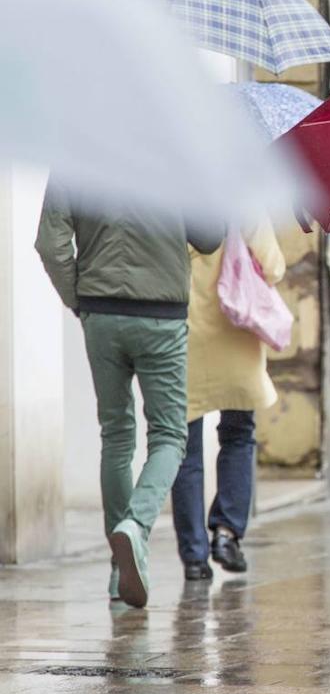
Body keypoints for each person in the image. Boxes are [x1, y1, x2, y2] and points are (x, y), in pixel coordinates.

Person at [35, 179, 222, 608]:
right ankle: (136, 527)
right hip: (161, 314)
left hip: (101, 313)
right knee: (170, 436)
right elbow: (210, 237)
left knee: (116, 434)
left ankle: (120, 570)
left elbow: (50, 242)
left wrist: (78, 299)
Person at [171, 217, 286, 582]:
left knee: (183, 449)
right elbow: (273, 266)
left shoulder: (163, 194)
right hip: (233, 325)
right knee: (238, 435)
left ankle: (193, 556)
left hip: (181, 329)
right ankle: (227, 534)